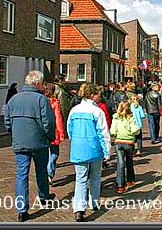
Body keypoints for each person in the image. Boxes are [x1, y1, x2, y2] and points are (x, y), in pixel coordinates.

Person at [4, 71, 56, 222]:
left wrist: (14, 134)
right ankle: (44, 197)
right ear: (38, 84)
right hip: (39, 143)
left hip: (20, 142)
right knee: (41, 171)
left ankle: (22, 209)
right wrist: (50, 137)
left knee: (22, 175)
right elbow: (48, 122)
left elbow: (7, 121)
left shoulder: (13, 99)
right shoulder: (41, 99)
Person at [68, 83, 111, 222]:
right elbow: (103, 133)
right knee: (95, 177)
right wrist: (107, 152)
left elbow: (70, 129)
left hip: (78, 148)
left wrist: (75, 141)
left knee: (80, 179)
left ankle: (79, 209)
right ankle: (94, 203)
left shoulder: (74, 110)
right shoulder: (97, 111)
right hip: (94, 148)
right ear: (92, 95)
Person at [110, 100, 141, 194]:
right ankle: (130, 180)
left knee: (120, 163)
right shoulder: (131, 118)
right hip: (129, 142)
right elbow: (135, 130)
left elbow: (112, 131)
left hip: (119, 142)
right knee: (129, 161)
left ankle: (120, 185)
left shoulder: (115, 118)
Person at [43, 83, 65, 186]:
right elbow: (58, 119)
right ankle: (49, 173)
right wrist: (61, 133)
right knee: (54, 153)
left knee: (46, 154)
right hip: (53, 131)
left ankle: (47, 173)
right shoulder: (55, 103)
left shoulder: (39, 102)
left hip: (42, 132)